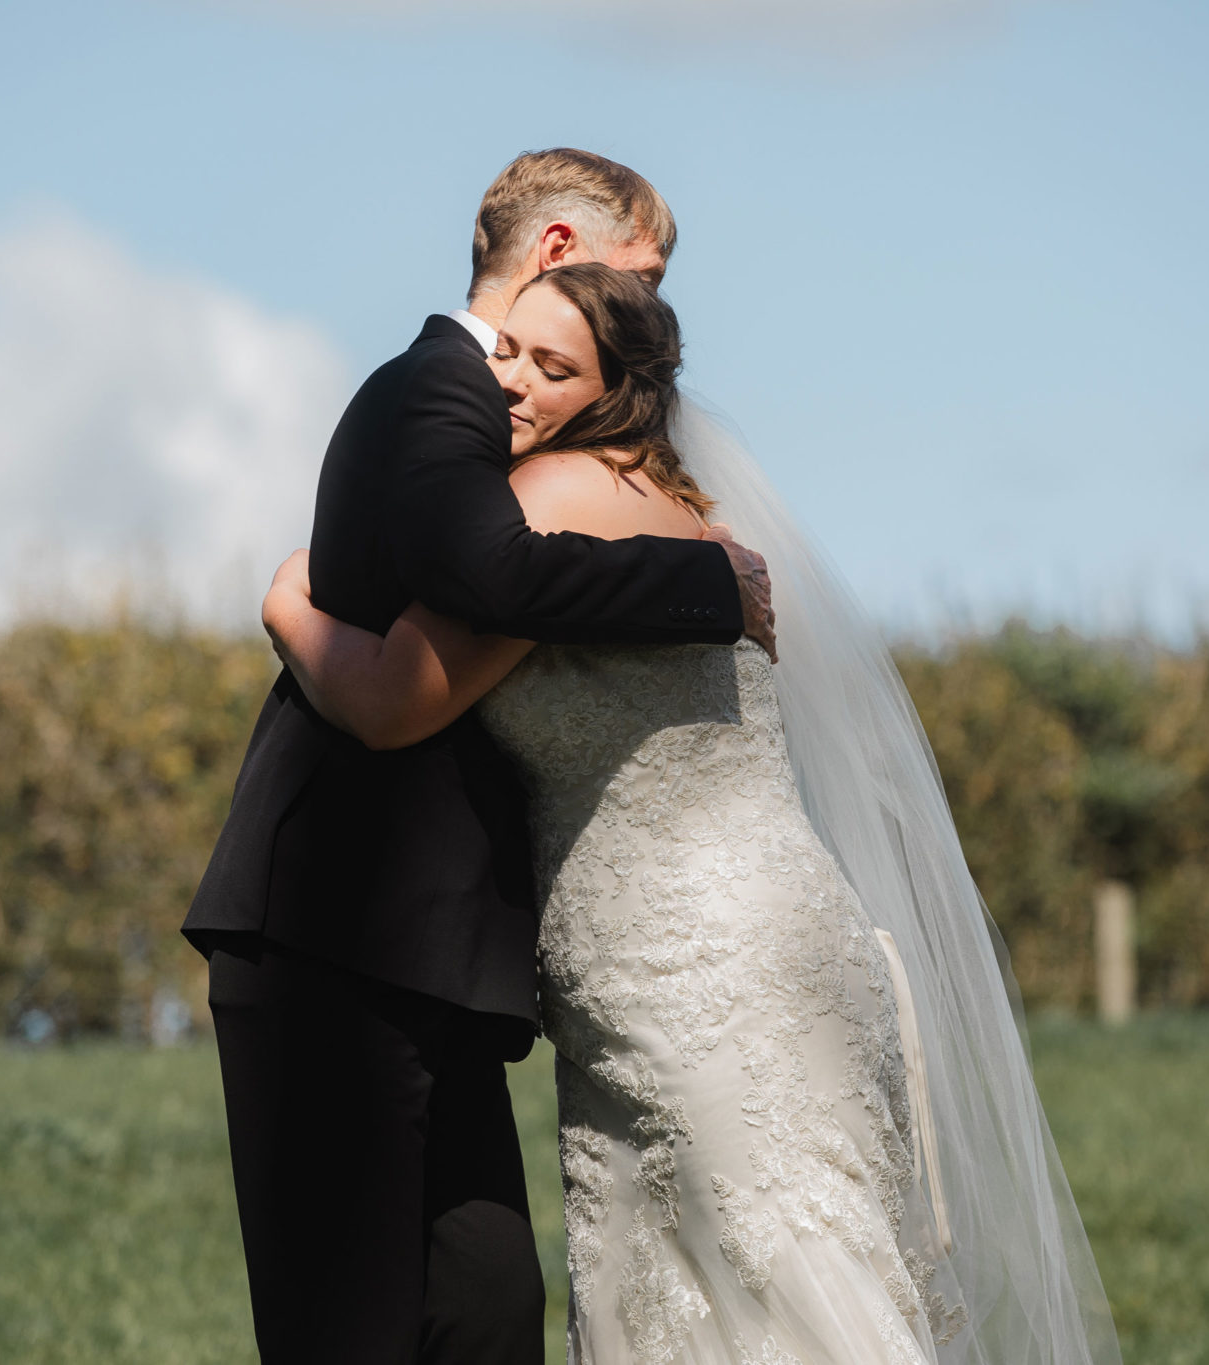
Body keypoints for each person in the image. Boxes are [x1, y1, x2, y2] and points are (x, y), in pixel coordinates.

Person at [264, 262, 1122, 1364]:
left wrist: (286, 600)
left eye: (552, 365)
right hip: (777, 943)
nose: (512, 384)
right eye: (506, 353)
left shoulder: (549, 498)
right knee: (786, 1282)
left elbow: (388, 704)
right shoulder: (687, 507)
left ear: (618, 388)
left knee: (765, 1307)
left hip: (683, 967)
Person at [181, 149, 775, 1364]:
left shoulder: (513, 425)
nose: (657, 315)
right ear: (558, 252)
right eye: (644, 279)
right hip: (333, 935)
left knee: (488, 1313)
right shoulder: (438, 392)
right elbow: (486, 581)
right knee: (355, 1330)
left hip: (422, 954)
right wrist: (705, 578)